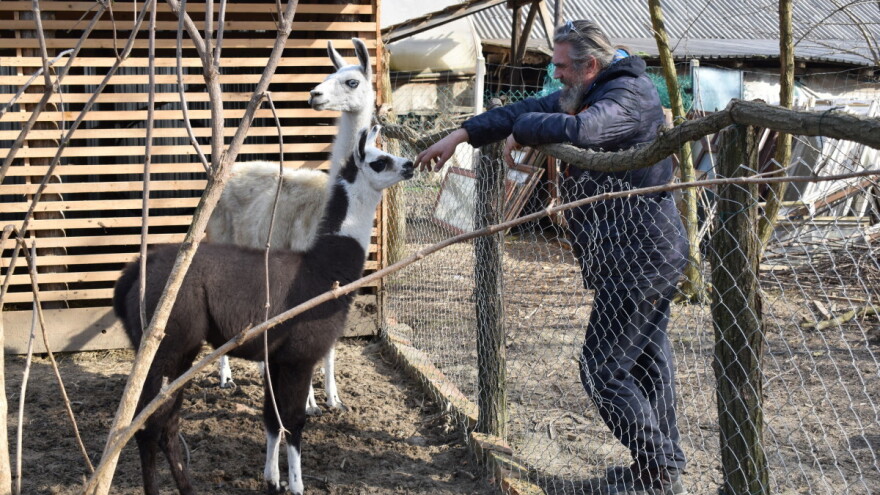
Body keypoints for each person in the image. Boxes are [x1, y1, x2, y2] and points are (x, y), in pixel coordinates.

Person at [415, 20, 688, 495]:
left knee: (602, 367)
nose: (555, 74)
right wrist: (459, 135)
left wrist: (526, 131)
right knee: (645, 360)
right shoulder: (590, 88)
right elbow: (529, 107)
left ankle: (658, 467)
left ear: (590, 65)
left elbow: (584, 131)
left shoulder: (628, 96)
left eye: (561, 66)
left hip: (641, 254)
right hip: (628, 252)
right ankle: (661, 467)